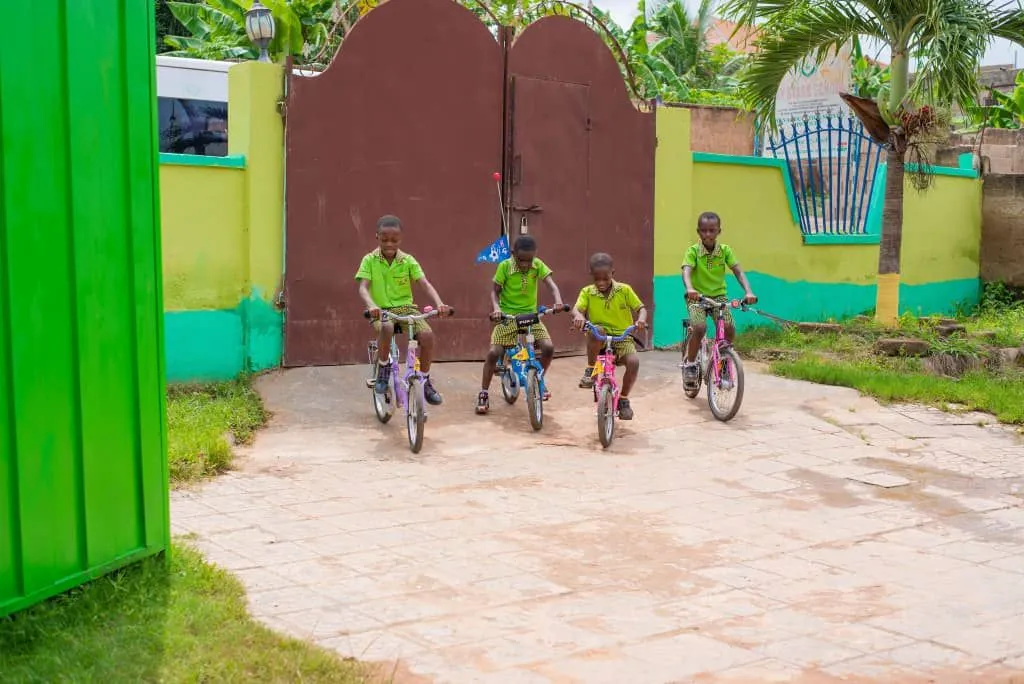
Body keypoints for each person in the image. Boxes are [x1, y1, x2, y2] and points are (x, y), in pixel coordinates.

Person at [356, 214, 452, 405]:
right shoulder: (369, 260)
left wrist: (440, 303)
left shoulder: (408, 261)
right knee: (387, 327)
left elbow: (424, 283)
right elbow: (363, 288)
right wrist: (371, 305)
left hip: (407, 308)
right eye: (384, 240)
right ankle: (383, 369)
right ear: (377, 237)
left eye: (394, 240)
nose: (389, 244)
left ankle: (424, 381)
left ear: (401, 239)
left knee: (426, 335)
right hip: (381, 310)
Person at [477, 235, 564, 415]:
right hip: (508, 317)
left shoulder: (538, 265)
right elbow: (494, 291)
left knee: (548, 347)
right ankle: (484, 393)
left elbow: (552, 285)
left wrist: (558, 300)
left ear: (535, 255)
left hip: (531, 316)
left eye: (529, 260)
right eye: (521, 260)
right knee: (494, 353)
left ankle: (538, 378)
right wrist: (496, 308)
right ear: (513, 253)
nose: (525, 264)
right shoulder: (505, 266)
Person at [681, 211, 757, 389]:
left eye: (712, 230)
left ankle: (723, 363)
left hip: (719, 297)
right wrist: (690, 289)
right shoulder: (693, 251)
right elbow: (686, 270)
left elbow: (738, 271)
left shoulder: (725, 251)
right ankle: (690, 364)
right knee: (699, 327)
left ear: (718, 231)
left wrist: (748, 291)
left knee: (729, 328)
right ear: (698, 232)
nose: (708, 234)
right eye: (704, 230)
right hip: (697, 297)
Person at [571, 252, 648, 420]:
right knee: (596, 330)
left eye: (605, 278)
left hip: (622, 338)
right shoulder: (587, 292)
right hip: (599, 340)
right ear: (591, 275)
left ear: (613, 273)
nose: (601, 283)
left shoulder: (624, 290)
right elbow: (577, 309)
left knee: (634, 362)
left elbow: (641, 308)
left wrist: (641, 320)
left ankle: (624, 400)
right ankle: (591, 370)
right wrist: (578, 316)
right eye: (597, 279)